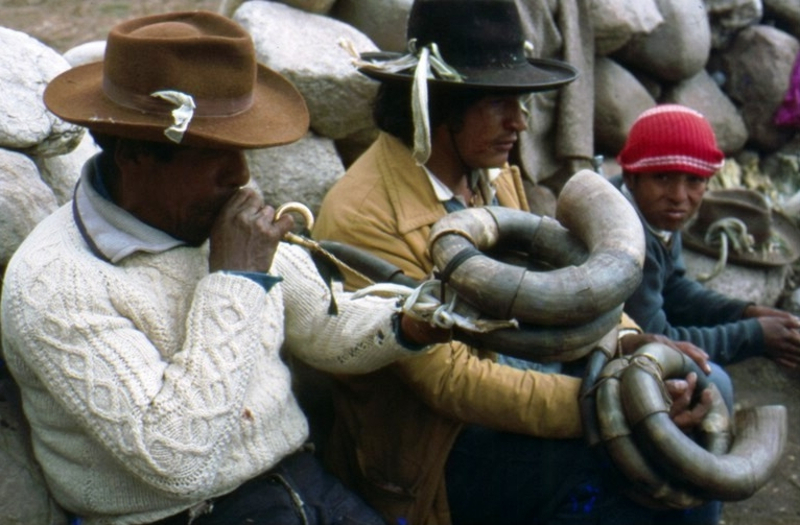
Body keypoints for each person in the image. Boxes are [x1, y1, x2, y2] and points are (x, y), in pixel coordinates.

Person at [0, 11, 450, 525]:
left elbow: (324, 328)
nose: (240, 174)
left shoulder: (215, 214)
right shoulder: (55, 282)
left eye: (243, 148)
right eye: (214, 152)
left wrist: (411, 321)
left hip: (301, 486)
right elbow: (175, 461)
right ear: (133, 155)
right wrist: (236, 281)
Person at [313, 1, 721, 524]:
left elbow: (560, 283)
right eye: (501, 103)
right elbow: (449, 381)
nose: (521, 122)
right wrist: (614, 405)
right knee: (642, 469)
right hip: (440, 449)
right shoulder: (364, 214)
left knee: (700, 405)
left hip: (529, 385)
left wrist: (632, 343)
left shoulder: (493, 175)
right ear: (439, 105)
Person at [613, 103, 800, 369]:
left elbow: (673, 288)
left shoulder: (655, 214)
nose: (678, 197)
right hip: (598, 355)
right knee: (713, 382)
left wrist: (743, 312)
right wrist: (754, 335)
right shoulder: (624, 236)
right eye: (663, 178)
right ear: (631, 177)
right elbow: (655, 340)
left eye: (694, 181)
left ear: (708, 184)